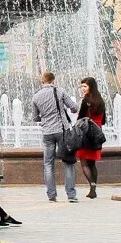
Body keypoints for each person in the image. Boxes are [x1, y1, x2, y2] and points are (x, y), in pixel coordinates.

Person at [32, 71, 79, 202]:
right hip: (62, 131)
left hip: (47, 133)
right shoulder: (60, 91)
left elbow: (35, 118)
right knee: (69, 162)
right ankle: (71, 195)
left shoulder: (36, 97)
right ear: (53, 80)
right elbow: (74, 107)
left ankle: (51, 195)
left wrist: (46, 116)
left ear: (42, 82)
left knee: (48, 164)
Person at [76, 77, 107, 199]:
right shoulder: (101, 101)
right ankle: (94, 187)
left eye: (85, 86)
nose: (83, 89)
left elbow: (80, 118)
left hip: (86, 134)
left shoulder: (86, 101)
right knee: (92, 163)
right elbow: (104, 120)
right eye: (82, 86)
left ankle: (92, 186)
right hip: (97, 133)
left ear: (91, 87)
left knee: (84, 162)